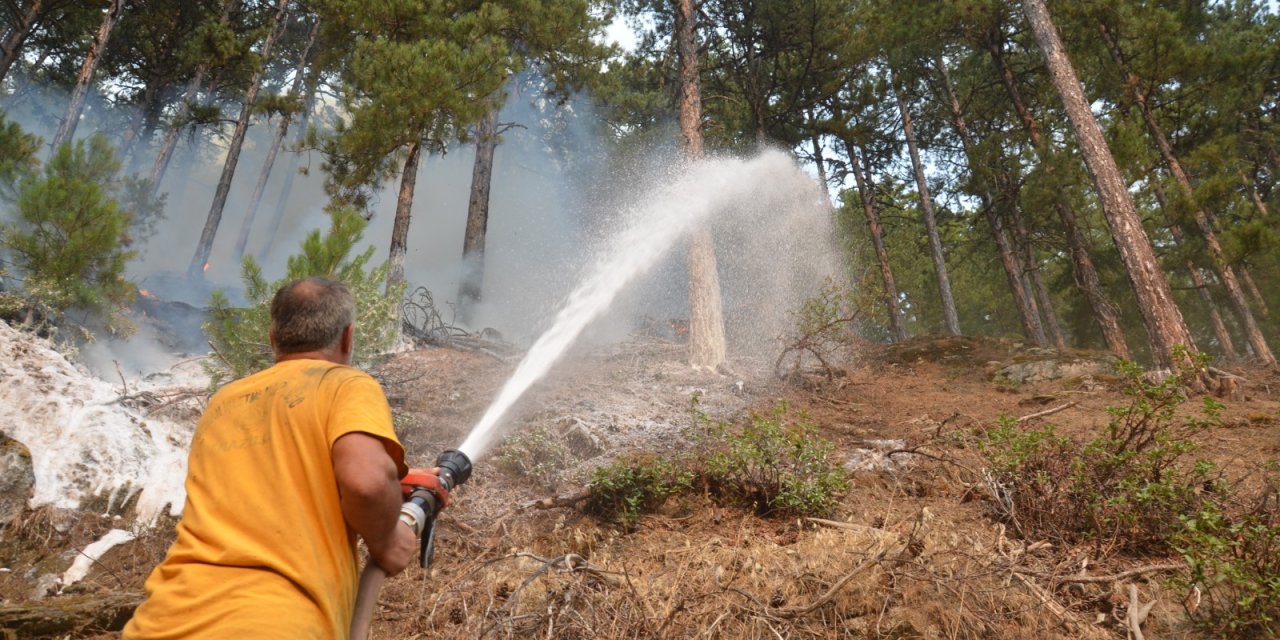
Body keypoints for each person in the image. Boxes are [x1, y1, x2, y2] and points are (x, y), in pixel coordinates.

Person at [125, 277, 428, 639]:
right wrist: (389, 541)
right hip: (270, 623)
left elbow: (278, 476)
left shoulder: (224, 401)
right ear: (348, 338)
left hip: (163, 620)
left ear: (273, 337)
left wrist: (395, 486)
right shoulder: (345, 384)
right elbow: (366, 482)